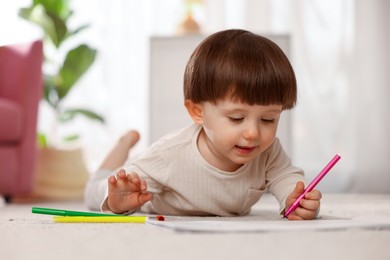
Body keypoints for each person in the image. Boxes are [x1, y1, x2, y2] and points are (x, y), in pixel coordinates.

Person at [85, 29, 321, 220]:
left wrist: (295, 197)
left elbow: (285, 176)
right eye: (237, 118)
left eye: (268, 119)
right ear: (197, 112)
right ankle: (124, 142)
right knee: (97, 186)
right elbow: (123, 192)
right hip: (134, 184)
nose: (253, 133)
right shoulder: (168, 156)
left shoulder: (268, 151)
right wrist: (117, 200)